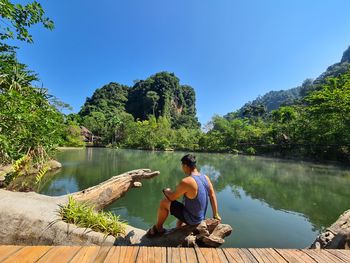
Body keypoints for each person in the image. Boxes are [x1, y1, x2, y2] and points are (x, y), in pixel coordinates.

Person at [147, 154, 221, 236]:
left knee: (164, 202)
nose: (182, 168)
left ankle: (158, 228)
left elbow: (172, 197)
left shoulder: (187, 181)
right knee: (182, 208)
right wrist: (215, 214)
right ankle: (178, 231)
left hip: (193, 219)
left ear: (185, 165)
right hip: (200, 217)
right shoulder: (205, 177)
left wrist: (165, 190)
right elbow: (212, 195)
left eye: (182, 166)